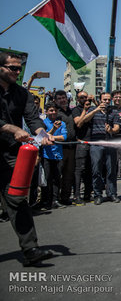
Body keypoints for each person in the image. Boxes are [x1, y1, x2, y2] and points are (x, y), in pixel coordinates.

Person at [0, 51, 54, 266]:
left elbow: (33, 119)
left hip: (11, 154)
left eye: (19, 68)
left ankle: (30, 249)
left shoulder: (22, 94)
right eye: (12, 67)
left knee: (17, 199)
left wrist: (43, 135)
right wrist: (10, 127)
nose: (17, 71)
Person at [76, 92, 120, 204]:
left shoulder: (113, 111)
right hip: (96, 144)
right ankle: (97, 194)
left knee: (111, 171)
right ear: (100, 100)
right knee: (96, 170)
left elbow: (117, 128)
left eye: (108, 100)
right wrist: (95, 110)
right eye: (104, 99)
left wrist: (110, 130)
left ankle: (112, 194)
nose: (106, 102)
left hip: (109, 144)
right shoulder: (92, 110)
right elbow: (82, 121)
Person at [40, 102, 67, 210]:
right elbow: (42, 137)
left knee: (57, 179)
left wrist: (52, 137)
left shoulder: (62, 123)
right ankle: (46, 200)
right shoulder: (43, 123)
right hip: (46, 155)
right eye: (51, 110)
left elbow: (64, 137)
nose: (53, 112)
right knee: (47, 179)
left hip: (58, 155)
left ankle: (55, 200)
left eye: (55, 110)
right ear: (46, 112)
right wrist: (53, 131)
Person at [53, 90, 77, 205]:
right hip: (59, 147)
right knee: (58, 173)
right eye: (59, 98)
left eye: (64, 98)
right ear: (55, 101)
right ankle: (54, 199)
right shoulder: (55, 113)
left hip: (72, 147)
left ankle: (65, 197)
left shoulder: (72, 112)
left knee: (69, 173)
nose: (62, 100)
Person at [72, 91, 94, 204]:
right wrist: (85, 110)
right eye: (82, 97)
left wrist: (94, 102)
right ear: (77, 99)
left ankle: (87, 194)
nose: (84, 99)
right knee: (79, 170)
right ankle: (76, 195)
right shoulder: (76, 109)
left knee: (89, 170)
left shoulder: (93, 108)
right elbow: (79, 123)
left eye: (86, 97)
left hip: (91, 143)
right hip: (81, 143)